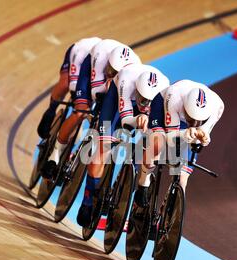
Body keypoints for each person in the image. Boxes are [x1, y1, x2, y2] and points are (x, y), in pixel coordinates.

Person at [77, 64, 170, 227]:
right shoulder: (126, 81)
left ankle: (131, 181)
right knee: (103, 146)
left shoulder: (165, 93)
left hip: (151, 108)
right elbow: (126, 121)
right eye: (143, 99)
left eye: (149, 101)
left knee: (152, 141)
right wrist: (138, 119)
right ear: (137, 89)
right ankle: (88, 201)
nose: (145, 104)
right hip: (117, 100)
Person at [41, 40, 141, 178]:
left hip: (118, 86)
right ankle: (54, 155)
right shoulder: (101, 56)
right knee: (81, 111)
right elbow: (96, 92)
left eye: (115, 73)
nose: (111, 74)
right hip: (92, 69)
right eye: (111, 70)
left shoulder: (133, 71)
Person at [134, 79, 225, 207]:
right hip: (163, 108)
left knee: (182, 178)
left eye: (197, 121)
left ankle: (169, 214)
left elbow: (201, 137)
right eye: (190, 118)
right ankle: (144, 182)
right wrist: (184, 134)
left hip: (183, 122)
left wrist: (202, 138)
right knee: (157, 143)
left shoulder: (217, 107)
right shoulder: (174, 96)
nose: (192, 123)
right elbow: (170, 138)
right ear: (185, 107)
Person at [36, 37, 102, 140]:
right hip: (78, 56)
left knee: (86, 105)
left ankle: (68, 136)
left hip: (93, 69)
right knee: (65, 84)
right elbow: (73, 86)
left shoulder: (106, 66)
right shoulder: (82, 50)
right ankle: (51, 109)